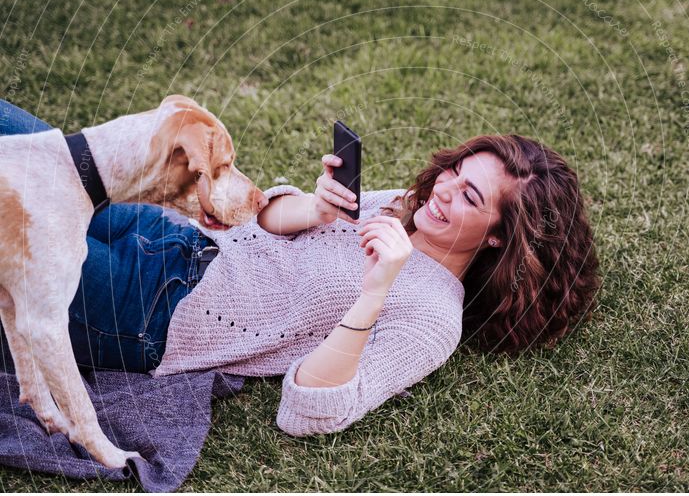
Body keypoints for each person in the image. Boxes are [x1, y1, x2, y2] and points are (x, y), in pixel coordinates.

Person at [0, 99, 600, 436]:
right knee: (24, 146)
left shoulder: (431, 314)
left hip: (154, 310)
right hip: (165, 231)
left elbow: (309, 411)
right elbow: (263, 221)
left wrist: (375, 288)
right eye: (456, 173)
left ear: (498, 236)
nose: (444, 192)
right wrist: (311, 207)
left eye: (470, 198)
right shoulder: (401, 207)